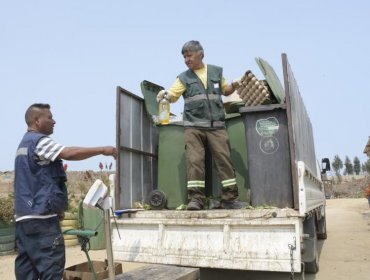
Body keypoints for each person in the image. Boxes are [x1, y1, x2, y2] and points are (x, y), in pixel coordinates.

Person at [13, 103, 117, 280]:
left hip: (24, 220)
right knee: (51, 270)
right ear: (37, 120)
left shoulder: (23, 145)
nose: (54, 121)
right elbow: (69, 153)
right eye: (49, 117)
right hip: (42, 221)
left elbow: (36, 182)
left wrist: (56, 207)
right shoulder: (39, 141)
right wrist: (103, 150)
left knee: (27, 272)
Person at [156, 40, 244, 211]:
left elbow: (225, 90)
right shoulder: (183, 78)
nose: (186, 59)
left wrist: (235, 84)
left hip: (217, 125)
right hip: (194, 126)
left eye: (189, 55)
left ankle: (229, 199)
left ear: (200, 54)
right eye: (184, 57)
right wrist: (165, 95)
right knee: (195, 162)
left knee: (224, 161)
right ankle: (196, 200)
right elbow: (172, 95)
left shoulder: (215, 72)